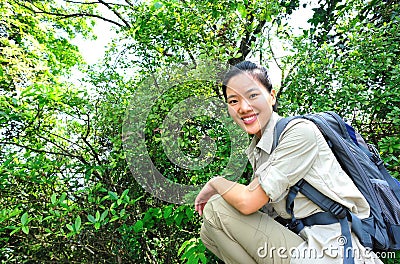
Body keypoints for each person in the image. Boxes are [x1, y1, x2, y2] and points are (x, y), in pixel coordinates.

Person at [194, 61, 383, 264]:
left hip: (336, 251)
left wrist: (215, 182)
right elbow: (258, 209)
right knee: (208, 232)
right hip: (306, 244)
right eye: (233, 101)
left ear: (272, 96)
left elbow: (248, 202)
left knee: (216, 206)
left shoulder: (299, 132)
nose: (243, 107)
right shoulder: (261, 149)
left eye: (252, 95)